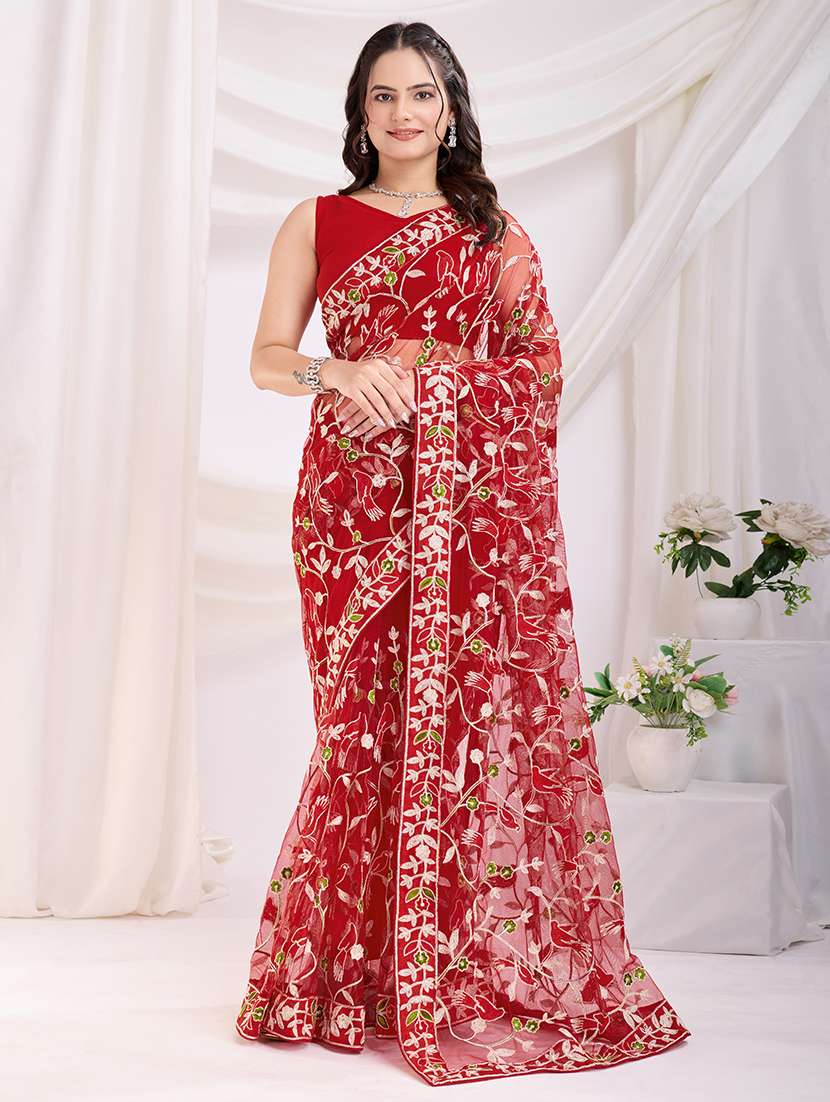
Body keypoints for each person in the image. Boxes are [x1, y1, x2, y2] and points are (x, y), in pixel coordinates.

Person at [234, 20, 691, 1086]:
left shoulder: (493, 233)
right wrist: (339, 373)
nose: (403, 114)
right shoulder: (317, 219)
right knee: (355, 732)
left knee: (451, 740)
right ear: (360, 113)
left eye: (422, 95)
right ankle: (343, 977)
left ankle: (440, 974)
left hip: (463, 521)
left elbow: (538, 373)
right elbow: (266, 359)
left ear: (450, 110)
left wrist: (435, 368)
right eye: (384, 95)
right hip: (348, 512)